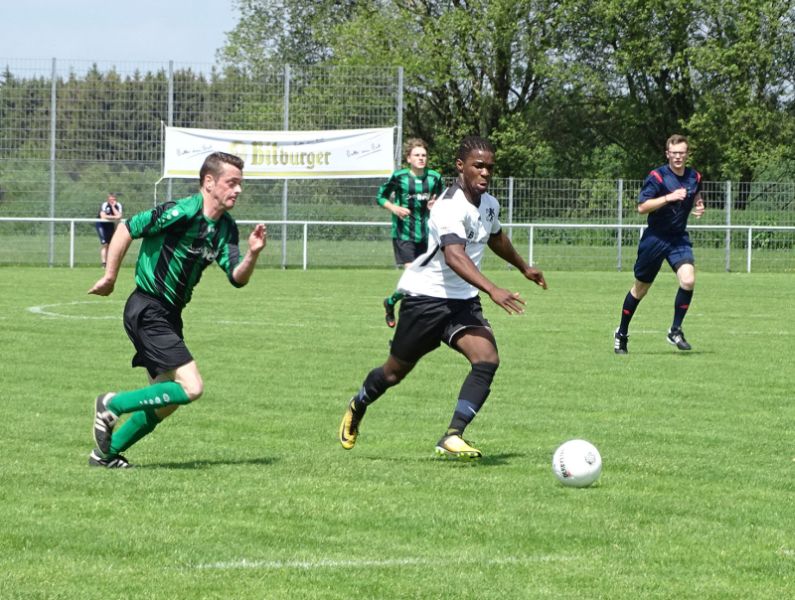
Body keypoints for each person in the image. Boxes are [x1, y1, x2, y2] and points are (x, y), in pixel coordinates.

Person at [339, 136, 547, 461]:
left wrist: (524, 267)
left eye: (490, 167)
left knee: (487, 358)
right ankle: (359, 403)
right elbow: (455, 256)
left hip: (462, 301)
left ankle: (453, 434)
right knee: (394, 373)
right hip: (425, 299)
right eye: (478, 166)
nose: (485, 172)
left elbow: (496, 237)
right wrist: (493, 288)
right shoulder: (448, 206)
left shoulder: (489, 204)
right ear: (460, 167)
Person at [87, 152, 267, 468]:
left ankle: (105, 455)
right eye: (232, 183)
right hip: (148, 306)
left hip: (169, 315)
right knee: (192, 387)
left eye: (240, 184)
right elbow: (128, 227)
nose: (238, 190)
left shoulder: (226, 229)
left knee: (166, 399)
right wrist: (110, 276)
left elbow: (237, 277)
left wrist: (252, 254)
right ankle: (111, 404)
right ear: (209, 183)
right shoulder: (180, 212)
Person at [614, 134, 705, 354]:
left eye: (682, 153)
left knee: (688, 279)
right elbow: (642, 207)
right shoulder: (657, 176)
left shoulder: (694, 176)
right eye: (674, 153)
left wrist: (699, 204)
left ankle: (675, 330)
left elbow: (695, 194)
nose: (678, 157)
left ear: (687, 154)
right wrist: (668, 197)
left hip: (678, 238)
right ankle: (621, 333)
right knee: (640, 289)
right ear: (667, 154)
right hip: (655, 238)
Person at [378, 138, 444, 327]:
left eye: (424, 155)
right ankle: (413, 321)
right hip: (403, 234)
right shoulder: (399, 177)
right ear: (409, 158)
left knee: (422, 279)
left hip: (427, 235)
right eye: (417, 155)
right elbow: (380, 197)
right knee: (414, 276)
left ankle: (391, 302)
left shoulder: (434, 178)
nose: (421, 158)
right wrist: (394, 208)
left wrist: (435, 204)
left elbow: (440, 199)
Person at [95, 193, 123, 267]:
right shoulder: (104, 205)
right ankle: (104, 263)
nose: (112, 201)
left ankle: (110, 263)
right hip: (101, 224)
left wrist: (113, 207)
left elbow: (119, 216)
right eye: (111, 199)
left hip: (110, 225)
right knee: (104, 244)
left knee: (111, 245)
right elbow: (103, 216)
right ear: (108, 199)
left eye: (114, 199)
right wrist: (114, 217)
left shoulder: (118, 205)